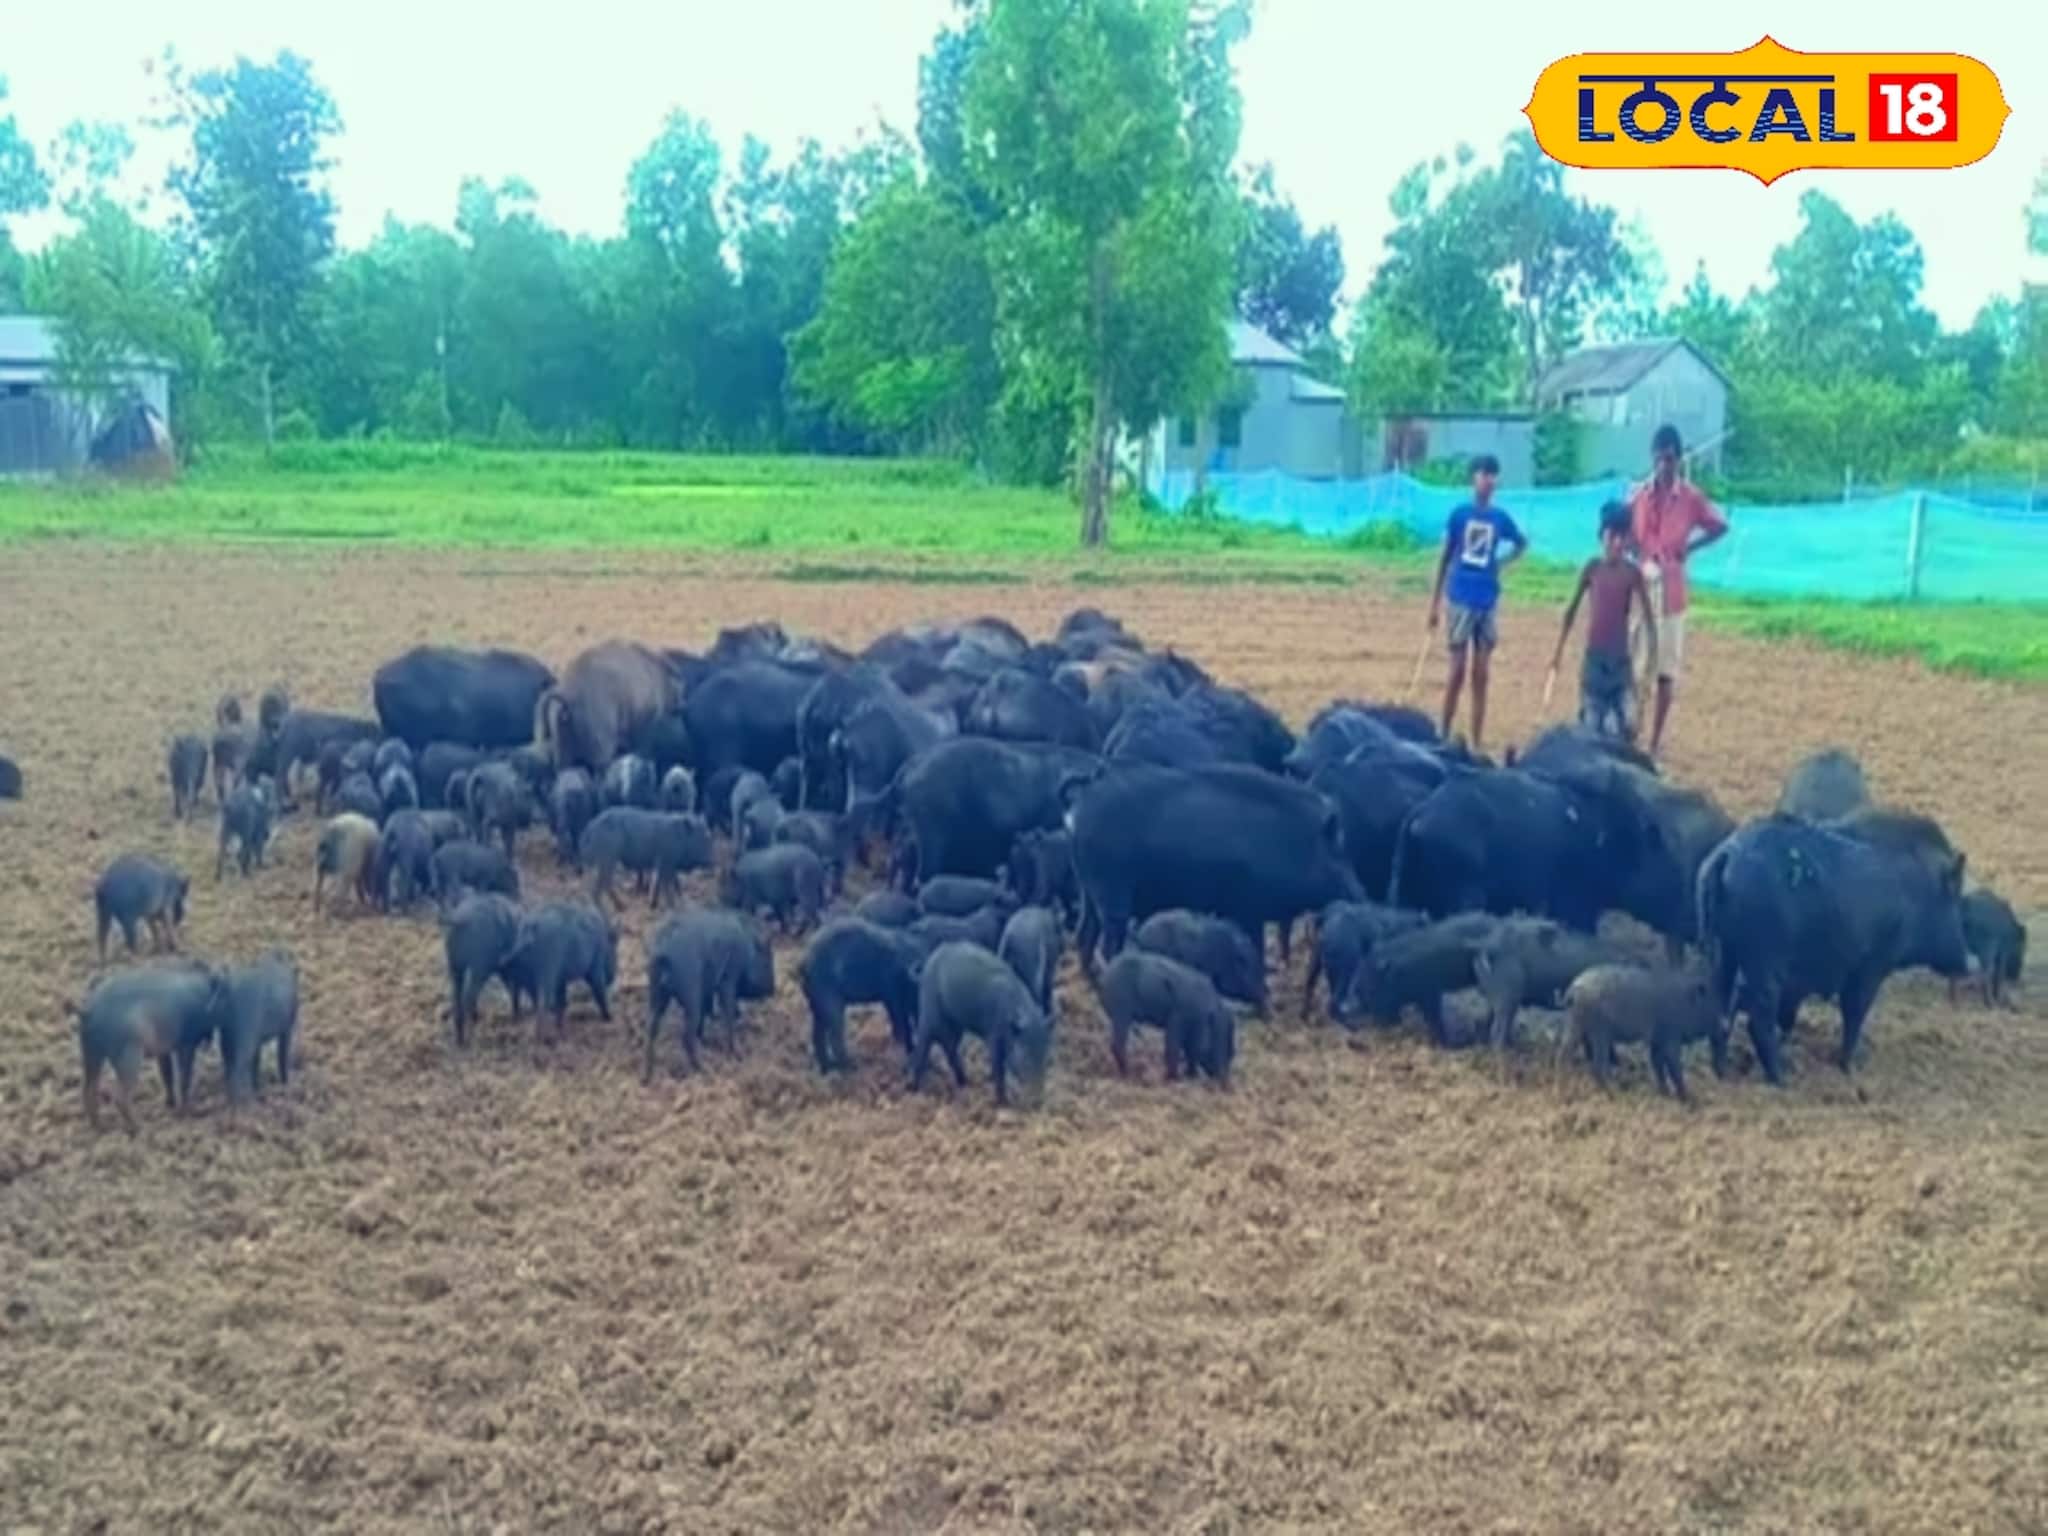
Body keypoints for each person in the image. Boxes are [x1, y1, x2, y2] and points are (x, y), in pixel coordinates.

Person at [1628, 424, 1728, 756]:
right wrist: (1635, 554)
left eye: (1669, 459)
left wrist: (1691, 548)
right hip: (1642, 587)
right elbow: (1622, 530)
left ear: (1678, 459)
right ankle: (1631, 735)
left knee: (1665, 670)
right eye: (1658, 459)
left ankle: (1655, 742)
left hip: (1671, 590)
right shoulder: (1639, 495)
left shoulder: (1690, 498)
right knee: (1636, 665)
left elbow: (1720, 525)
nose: (1663, 466)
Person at [1426, 453, 1527, 750]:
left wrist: (1501, 563)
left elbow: (1521, 543)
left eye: (1493, 475)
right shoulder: (1459, 515)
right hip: (1460, 597)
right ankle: (1443, 733)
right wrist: (1433, 604)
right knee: (1456, 671)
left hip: (1486, 600)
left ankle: (1476, 740)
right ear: (1474, 478)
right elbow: (1445, 558)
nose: (1489, 480)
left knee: (1481, 674)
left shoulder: (1500, 518)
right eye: (1484, 474)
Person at [1550, 501, 1658, 742]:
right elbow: (1571, 611)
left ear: (1628, 540)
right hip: (1594, 662)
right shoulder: (1592, 568)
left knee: (1628, 726)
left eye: (1622, 537)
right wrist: (1557, 653)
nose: (1617, 543)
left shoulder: (1632, 573)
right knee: (1592, 727)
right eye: (1611, 536)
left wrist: (1651, 658)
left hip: (1620, 663)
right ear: (1601, 537)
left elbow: (1649, 619)